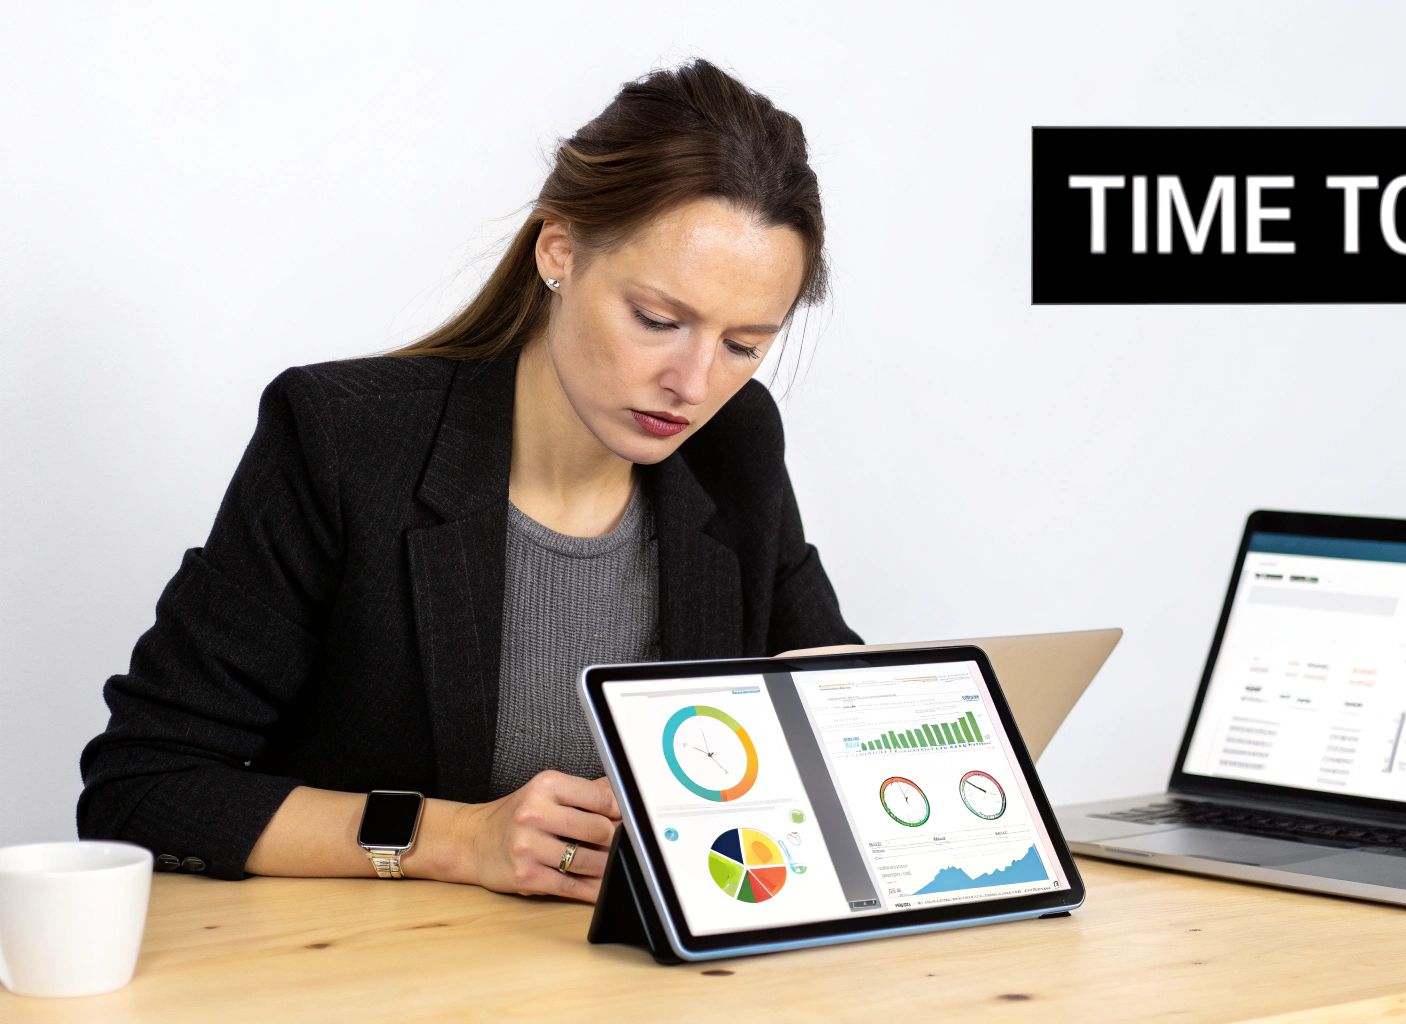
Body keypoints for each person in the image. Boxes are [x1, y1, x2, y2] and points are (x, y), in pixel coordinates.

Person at [76, 58, 862, 904]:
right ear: (558, 252)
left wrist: (860, 726)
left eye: (744, 345)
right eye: (659, 321)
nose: (696, 382)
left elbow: (830, 690)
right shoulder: (344, 438)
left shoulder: (734, 443)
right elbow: (142, 787)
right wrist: (454, 837)